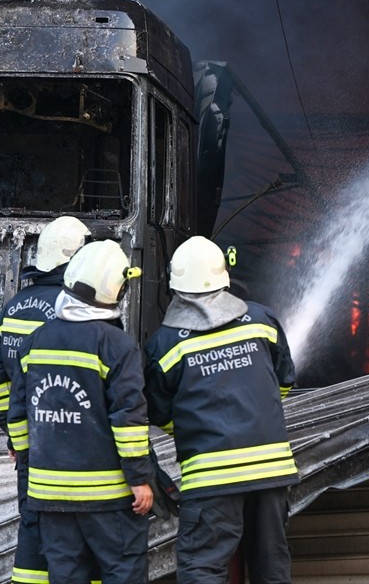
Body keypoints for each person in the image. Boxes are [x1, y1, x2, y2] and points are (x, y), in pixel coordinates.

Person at [143, 236, 298, 584]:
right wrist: (255, 416)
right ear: (224, 276)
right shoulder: (261, 320)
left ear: (175, 286)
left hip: (211, 478)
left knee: (202, 567)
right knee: (271, 567)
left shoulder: (165, 344)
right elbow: (284, 383)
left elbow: (159, 414)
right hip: (271, 470)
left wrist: (198, 427)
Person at [7, 239, 155, 584]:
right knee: (123, 572)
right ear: (116, 291)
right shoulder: (117, 345)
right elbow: (128, 418)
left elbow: (17, 413)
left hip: (49, 497)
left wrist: (29, 466)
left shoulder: (35, 340)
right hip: (109, 497)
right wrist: (140, 479)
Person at [0, 215, 91, 584]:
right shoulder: (74, 308)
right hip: (72, 441)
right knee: (79, 532)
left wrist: (12, 435)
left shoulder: (11, 308)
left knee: (32, 526)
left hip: (29, 442)